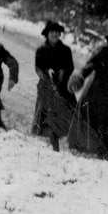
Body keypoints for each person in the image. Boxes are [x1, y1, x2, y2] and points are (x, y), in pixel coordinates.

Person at [31, 21, 76, 151]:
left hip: (63, 87)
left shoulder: (66, 50)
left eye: (57, 33)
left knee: (68, 116)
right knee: (49, 118)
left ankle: (69, 141)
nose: (54, 35)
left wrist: (64, 70)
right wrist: (46, 71)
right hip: (47, 88)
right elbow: (37, 68)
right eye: (52, 33)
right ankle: (54, 142)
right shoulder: (41, 50)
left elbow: (71, 66)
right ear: (47, 34)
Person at [68, 19, 108, 159]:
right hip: (98, 93)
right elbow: (88, 66)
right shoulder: (103, 51)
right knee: (95, 123)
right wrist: (78, 78)